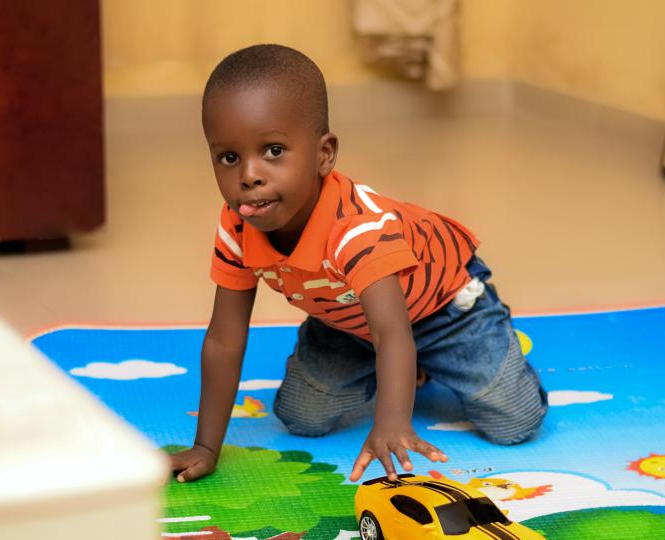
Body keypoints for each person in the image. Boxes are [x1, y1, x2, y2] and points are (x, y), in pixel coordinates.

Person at [169, 44, 548, 484]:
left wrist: (391, 423)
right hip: (351, 322)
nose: (248, 175)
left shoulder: (358, 229)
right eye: (229, 157)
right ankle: (404, 368)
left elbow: (393, 331)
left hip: (445, 309)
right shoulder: (237, 225)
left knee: (515, 422)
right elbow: (223, 340)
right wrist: (206, 446)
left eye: (273, 150)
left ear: (324, 154)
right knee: (300, 416)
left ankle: (484, 345)